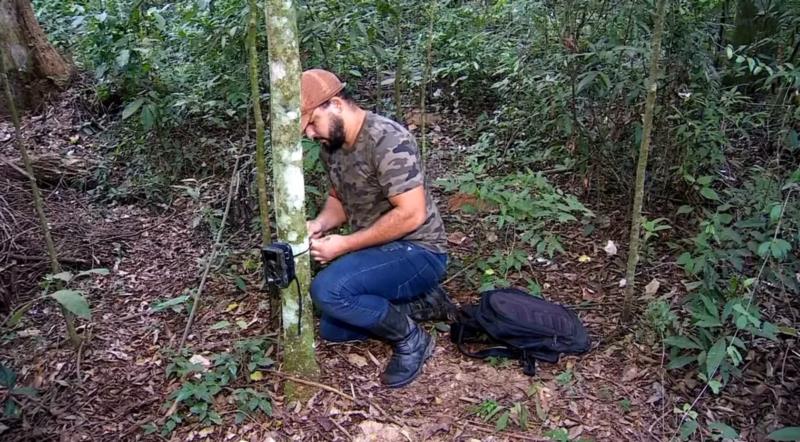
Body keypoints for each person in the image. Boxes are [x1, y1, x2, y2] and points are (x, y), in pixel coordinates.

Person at [301, 69, 453, 388]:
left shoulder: (387, 138)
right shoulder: (333, 146)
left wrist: (343, 245)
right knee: (334, 328)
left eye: (312, 122)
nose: (311, 134)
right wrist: (319, 224)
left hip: (420, 250)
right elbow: (339, 199)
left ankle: (413, 340)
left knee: (328, 291)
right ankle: (425, 304)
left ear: (336, 104)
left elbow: (411, 215)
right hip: (378, 251)